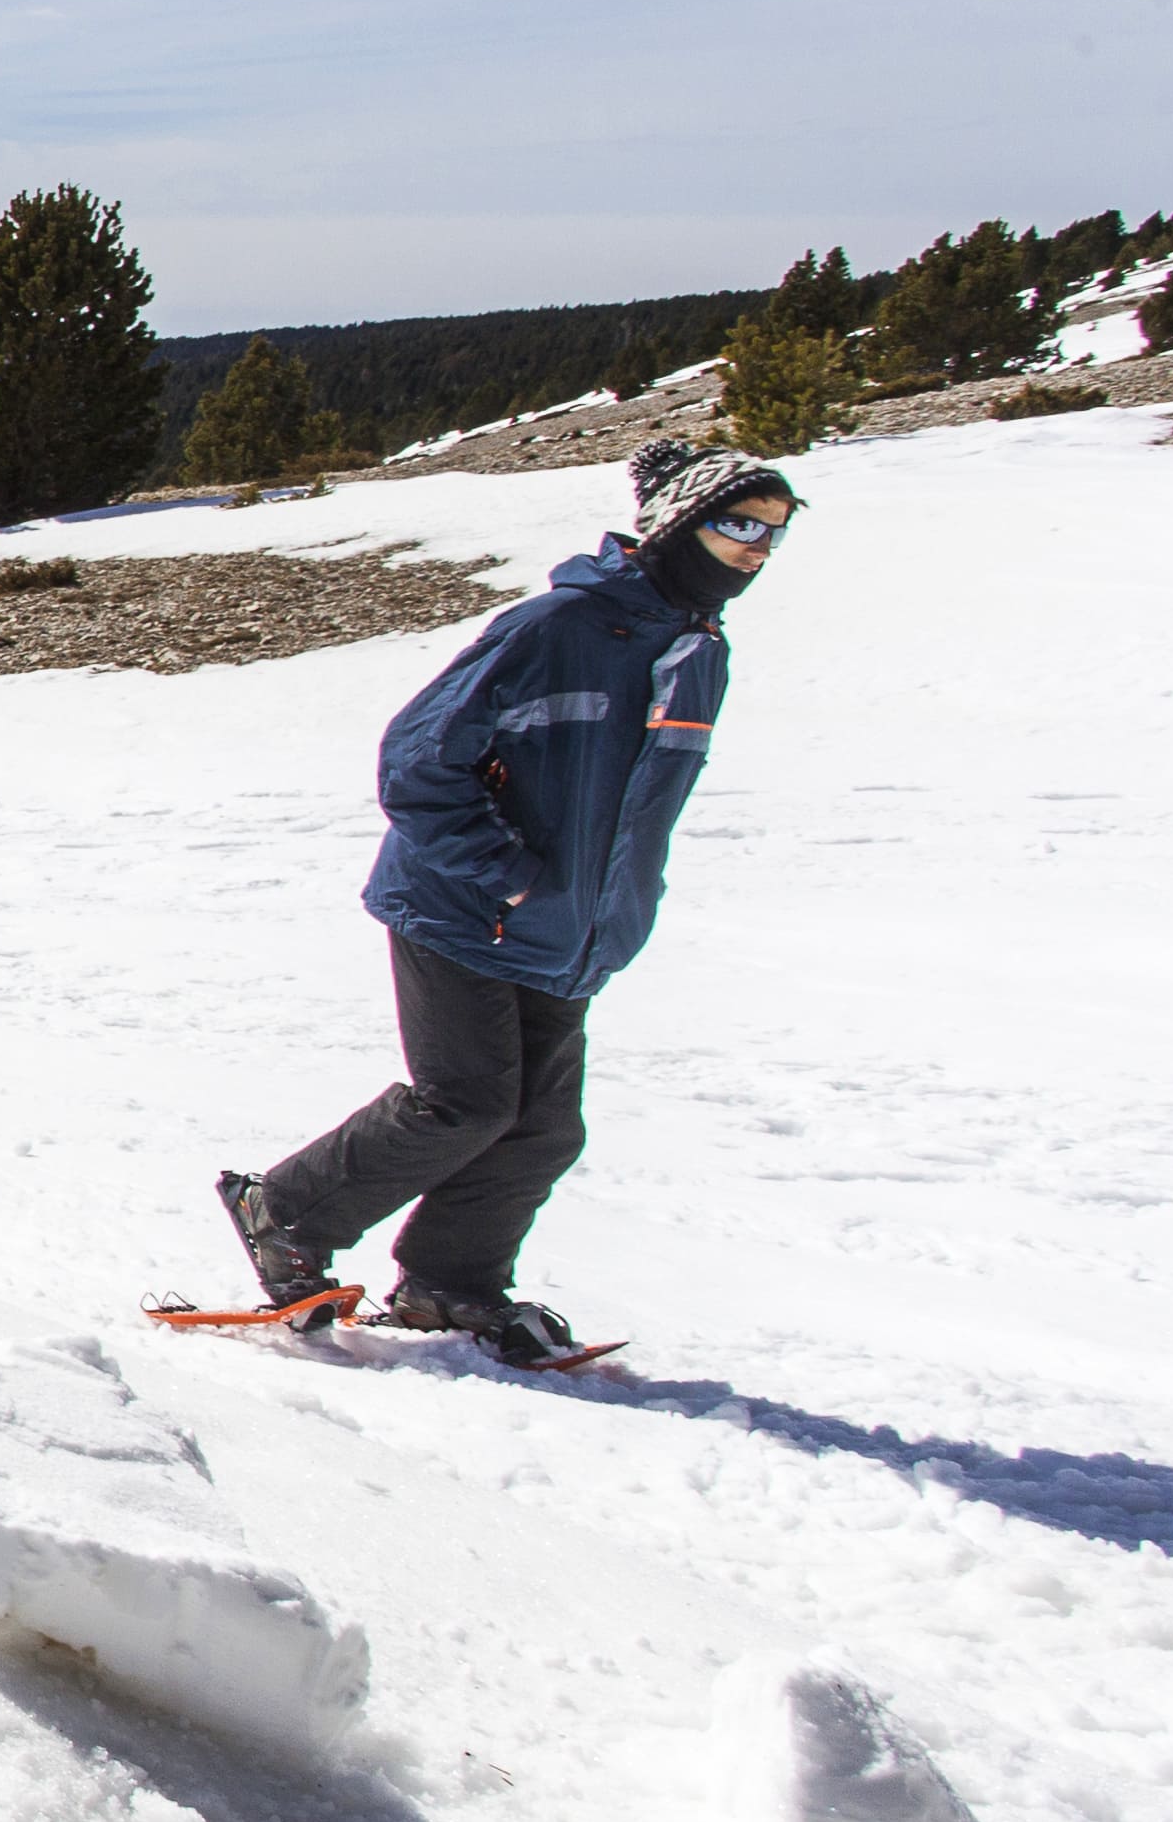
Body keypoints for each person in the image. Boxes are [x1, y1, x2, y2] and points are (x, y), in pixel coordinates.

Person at [218, 436, 797, 1362]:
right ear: (682, 524)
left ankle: (452, 1283)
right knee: (465, 1102)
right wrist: (511, 872)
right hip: (463, 905)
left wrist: (607, 911)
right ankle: (283, 1209)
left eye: (772, 535)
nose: (757, 551)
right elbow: (416, 762)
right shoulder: (555, 629)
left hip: (569, 931)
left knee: (541, 1130)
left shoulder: (697, 650)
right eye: (739, 527)